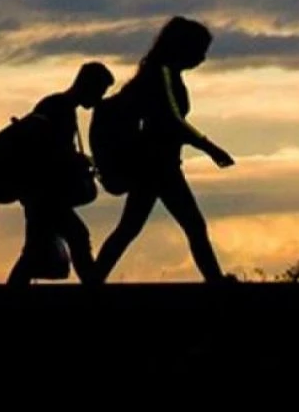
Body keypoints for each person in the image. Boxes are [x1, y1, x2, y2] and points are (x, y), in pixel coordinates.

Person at [92, 17, 236, 284]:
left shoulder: (161, 74)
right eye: (199, 50)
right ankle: (216, 282)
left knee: (131, 228)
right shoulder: (161, 74)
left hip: (157, 165)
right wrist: (210, 147)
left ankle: (94, 280)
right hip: (157, 166)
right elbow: (171, 120)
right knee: (192, 226)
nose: (202, 58)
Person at [6, 62, 114, 286]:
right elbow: (52, 153)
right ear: (89, 86)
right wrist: (79, 162)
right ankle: (94, 289)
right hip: (45, 194)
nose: (100, 98)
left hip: (40, 193)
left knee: (35, 251)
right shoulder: (59, 109)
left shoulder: (58, 106)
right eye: (100, 91)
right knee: (77, 237)